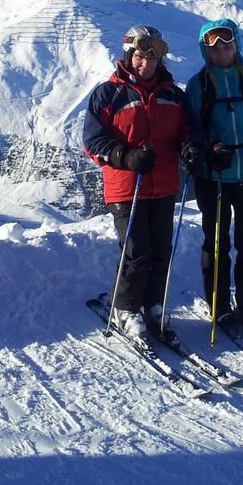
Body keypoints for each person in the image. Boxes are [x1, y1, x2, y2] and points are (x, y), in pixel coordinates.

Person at [83, 25, 189, 341]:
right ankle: (125, 308)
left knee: (160, 249)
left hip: (164, 184)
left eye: (151, 59)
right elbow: (92, 140)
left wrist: (191, 149)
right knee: (136, 250)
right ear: (129, 56)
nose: (145, 65)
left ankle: (153, 304)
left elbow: (186, 133)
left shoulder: (173, 95)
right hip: (126, 187)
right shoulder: (108, 94)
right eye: (140, 57)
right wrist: (124, 156)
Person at [181, 18, 243, 341]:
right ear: (205, 51)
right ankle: (219, 304)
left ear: (236, 44)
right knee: (216, 244)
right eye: (214, 47)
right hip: (215, 177)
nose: (222, 51)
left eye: (227, 45)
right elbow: (192, 130)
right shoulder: (199, 86)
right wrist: (208, 150)